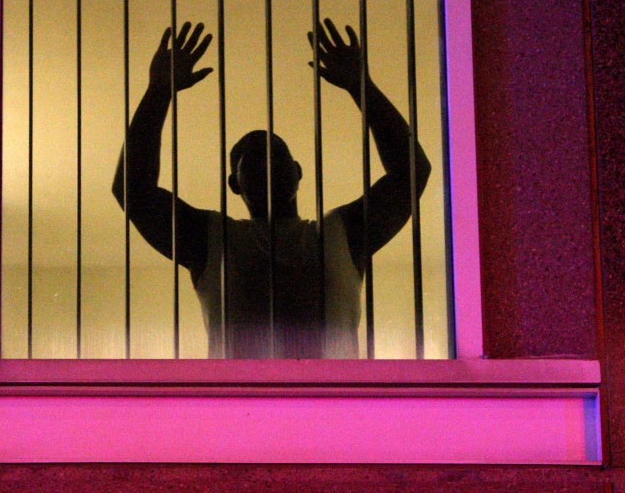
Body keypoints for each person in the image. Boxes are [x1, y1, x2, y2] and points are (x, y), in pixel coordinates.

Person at [112, 19, 430, 359]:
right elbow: (133, 191)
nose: (267, 166)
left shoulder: (338, 235)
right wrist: (157, 92)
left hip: (329, 411)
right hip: (247, 412)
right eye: (254, 162)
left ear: (297, 172)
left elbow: (410, 175)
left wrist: (362, 87)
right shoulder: (214, 239)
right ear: (234, 184)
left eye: (276, 159)